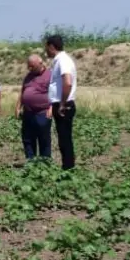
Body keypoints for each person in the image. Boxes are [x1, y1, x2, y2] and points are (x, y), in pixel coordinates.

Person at [45, 34, 78, 170]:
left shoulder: (63, 60)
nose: (46, 51)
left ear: (52, 47)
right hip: (61, 104)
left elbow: (68, 82)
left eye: (46, 48)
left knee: (64, 139)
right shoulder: (60, 60)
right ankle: (68, 166)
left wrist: (62, 104)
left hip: (64, 105)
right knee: (63, 138)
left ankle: (68, 168)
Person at [15, 54, 53, 161]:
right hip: (28, 113)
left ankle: (45, 163)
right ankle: (30, 163)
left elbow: (56, 94)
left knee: (44, 139)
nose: (30, 68)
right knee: (27, 139)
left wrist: (52, 108)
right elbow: (23, 91)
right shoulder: (29, 76)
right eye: (29, 66)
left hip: (43, 112)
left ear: (40, 64)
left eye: (32, 66)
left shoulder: (50, 75)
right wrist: (18, 106)